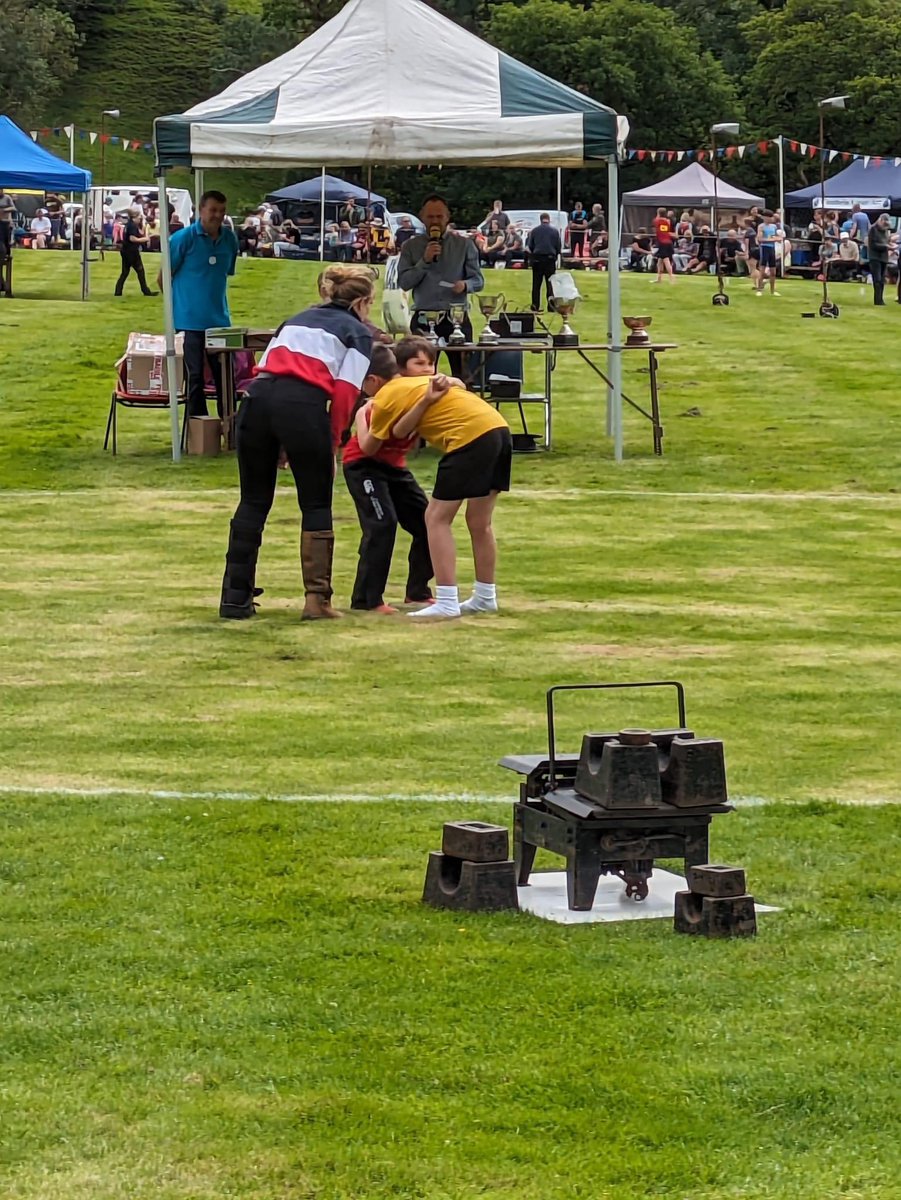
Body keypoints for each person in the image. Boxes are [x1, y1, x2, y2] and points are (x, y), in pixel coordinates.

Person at [219, 264, 375, 622]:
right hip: (303, 406)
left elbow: (271, 364)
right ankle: (317, 600)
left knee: (254, 500)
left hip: (256, 401)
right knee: (316, 502)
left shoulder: (294, 320)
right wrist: (333, 443)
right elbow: (345, 394)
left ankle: (234, 597)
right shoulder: (358, 332)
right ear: (363, 302)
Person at [364, 370, 511, 621]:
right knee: (479, 522)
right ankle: (486, 597)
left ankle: (446, 601)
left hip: (468, 439)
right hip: (498, 429)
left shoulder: (384, 397)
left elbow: (371, 446)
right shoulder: (417, 385)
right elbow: (401, 431)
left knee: (435, 518)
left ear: (373, 381)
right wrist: (425, 401)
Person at [342, 339, 435, 614]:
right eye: (419, 364)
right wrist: (361, 417)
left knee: (430, 521)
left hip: (394, 467)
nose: (427, 370)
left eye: (430, 363)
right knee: (382, 524)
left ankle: (418, 591)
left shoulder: (420, 392)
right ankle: (367, 599)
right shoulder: (376, 404)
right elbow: (367, 445)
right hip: (364, 466)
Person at [163, 190, 240, 419]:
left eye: (222, 211)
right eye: (213, 210)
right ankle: (199, 427)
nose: (218, 215)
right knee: (195, 375)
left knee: (225, 377)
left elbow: (226, 272)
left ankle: (230, 424)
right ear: (200, 210)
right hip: (189, 321)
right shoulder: (182, 239)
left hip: (219, 320)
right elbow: (164, 277)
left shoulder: (230, 239)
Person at [397, 193, 484, 373]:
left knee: (463, 374)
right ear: (422, 217)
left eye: (439, 216)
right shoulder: (411, 246)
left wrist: (465, 285)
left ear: (447, 217)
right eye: (430, 217)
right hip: (423, 317)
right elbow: (404, 282)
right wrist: (425, 261)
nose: (435, 221)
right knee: (419, 375)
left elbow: (478, 280)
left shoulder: (464, 245)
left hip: (456, 317)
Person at [114, 207, 154, 296]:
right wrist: (145, 239)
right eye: (139, 217)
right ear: (134, 217)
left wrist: (145, 228)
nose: (140, 218)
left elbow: (140, 232)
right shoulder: (132, 226)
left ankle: (118, 291)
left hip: (126, 251)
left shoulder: (130, 225)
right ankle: (146, 291)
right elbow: (132, 238)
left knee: (125, 272)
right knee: (140, 271)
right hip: (131, 252)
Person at [527, 212, 561, 311]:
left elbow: (530, 246)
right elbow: (558, 246)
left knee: (536, 284)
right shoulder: (555, 231)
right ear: (548, 219)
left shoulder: (534, 231)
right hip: (550, 259)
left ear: (540, 219)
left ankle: (535, 306)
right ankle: (551, 306)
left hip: (537, 259)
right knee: (550, 284)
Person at [755, 210, 781, 296]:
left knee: (773, 271)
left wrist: (777, 238)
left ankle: (773, 291)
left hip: (772, 248)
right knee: (762, 270)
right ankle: (759, 289)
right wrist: (773, 239)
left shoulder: (774, 226)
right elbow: (760, 239)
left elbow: (777, 236)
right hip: (764, 248)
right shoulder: (761, 226)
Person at [867, 214, 891, 305]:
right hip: (875, 257)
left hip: (883, 257)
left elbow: (886, 241)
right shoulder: (873, 229)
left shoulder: (886, 230)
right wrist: (886, 246)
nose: (885, 226)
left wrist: (889, 246)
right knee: (877, 279)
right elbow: (872, 244)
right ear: (880, 220)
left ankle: (880, 299)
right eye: (884, 224)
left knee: (882, 280)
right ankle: (877, 300)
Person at [651, 207, 675, 283]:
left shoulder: (656, 220)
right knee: (659, 261)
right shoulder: (668, 221)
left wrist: (658, 215)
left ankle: (672, 278)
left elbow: (655, 221)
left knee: (666, 260)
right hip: (668, 241)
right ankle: (659, 279)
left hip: (662, 242)